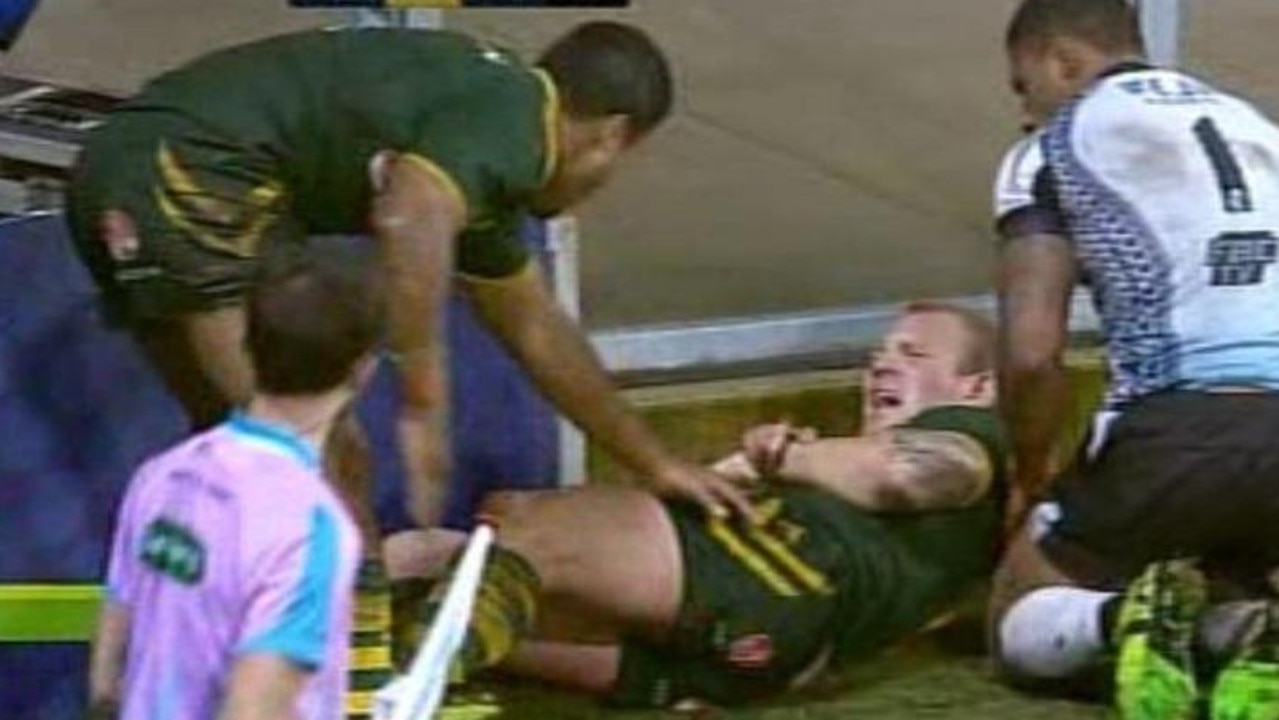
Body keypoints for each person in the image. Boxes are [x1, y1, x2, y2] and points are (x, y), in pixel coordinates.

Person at [67, 22, 748, 718]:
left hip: (114, 167)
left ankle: (186, 678)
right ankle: (356, 690)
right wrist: (423, 401)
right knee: (327, 461)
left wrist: (651, 460)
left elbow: (537, 328)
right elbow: (407, 214)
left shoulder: (473, 145)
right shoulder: (512, 116)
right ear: (610, 135)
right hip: (192, 174)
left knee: (229, 453)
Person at [387, 302, 1007, 708]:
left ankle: (404, 686)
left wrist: (775, 459)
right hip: (752, 655)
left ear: (977, 388)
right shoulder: (859, 493)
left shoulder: (976, 433)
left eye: (912, 354)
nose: (881, 366)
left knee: (529, 529)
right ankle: (398, 666)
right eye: (877, 356)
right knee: (424, 559)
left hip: (777, 578)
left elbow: (912, 475)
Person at [990, 1, 1279, 719]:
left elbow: (1030, 357)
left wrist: (1030, 480)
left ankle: (1119, 622)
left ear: (1060, 61)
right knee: (1225, 566)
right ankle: (1245, 629)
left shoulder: (1049, 151)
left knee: (1017, 605)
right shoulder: (1253, 125)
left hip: (1181, 425)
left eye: (1023, 88)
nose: (1025, 116)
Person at [88, 249, 381, 720]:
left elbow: (107, 679)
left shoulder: (161, 476)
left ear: (249, 346)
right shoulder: (311, 531)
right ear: (364, 369)